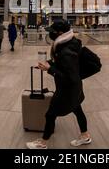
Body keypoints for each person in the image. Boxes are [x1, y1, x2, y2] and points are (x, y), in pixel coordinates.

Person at [27, 20, 90, 149]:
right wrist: (49, 64)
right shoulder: (70, 43)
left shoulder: (66, 51)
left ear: (60, 33)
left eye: (52, 32)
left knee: (50, 115)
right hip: (75, 88)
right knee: (78, 110)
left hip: (67, 90)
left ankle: (43, 143)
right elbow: (64, 65)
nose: (50, 34)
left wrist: (49, 69)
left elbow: (68, 76)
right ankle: (85, 136)